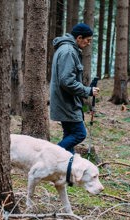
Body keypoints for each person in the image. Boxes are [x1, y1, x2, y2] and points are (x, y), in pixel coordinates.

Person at [50, 23, 99, 154]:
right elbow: (67, 81)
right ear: (79, 38)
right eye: (87, 40)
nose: (89, 43)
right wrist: (88, 91)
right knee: (79, 134)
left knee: (69, 135)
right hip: (66, 102)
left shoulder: (67, 49)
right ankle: (50, 154)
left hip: (65, 101)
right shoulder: (68, 51)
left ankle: (67, 170)